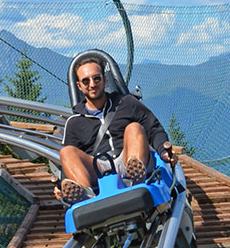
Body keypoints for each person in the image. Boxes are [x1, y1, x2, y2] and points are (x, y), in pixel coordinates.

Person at [55, 54, 177, 205]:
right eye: (86, 81)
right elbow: (70, 162)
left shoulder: (126, 103)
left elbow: (153, 127)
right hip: (98, 168)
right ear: (79, 86)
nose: (92, 84)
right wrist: (62, 183)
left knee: (134, 128)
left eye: (96, 78)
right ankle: (87, 198)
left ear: (105, 80)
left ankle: (137, 180)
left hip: (128, 157)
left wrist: (164, 151)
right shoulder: (74, 122)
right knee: (66, 151)